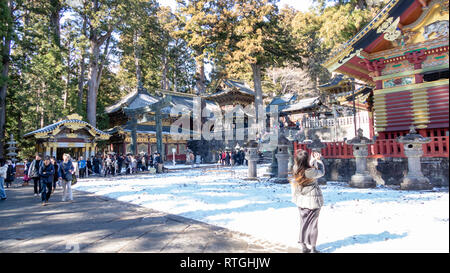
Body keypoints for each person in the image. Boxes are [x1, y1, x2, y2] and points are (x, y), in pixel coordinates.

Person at [290, 150, 324, 253]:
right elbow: (321, 172)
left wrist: (312, 161)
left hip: (301, 199)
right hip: (313, 200)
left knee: (303, 223)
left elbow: (307, 167)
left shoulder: (295, 168)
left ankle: (303, 246)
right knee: (313, 224)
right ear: (307, 160)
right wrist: (319, 161)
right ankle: (313, 248)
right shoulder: (310, 172)